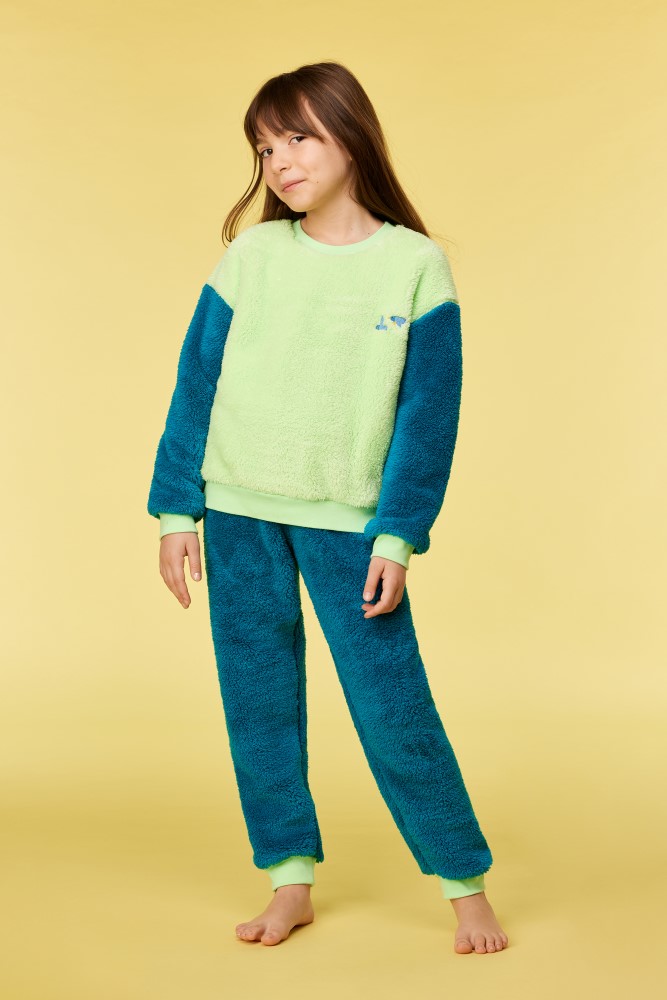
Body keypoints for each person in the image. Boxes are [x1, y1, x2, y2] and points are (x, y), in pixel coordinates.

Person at [147, 60, 509, 955]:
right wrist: (175, 512)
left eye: (298, 137)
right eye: (264, 148)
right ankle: (288, 880)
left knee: (392, 709)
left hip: (351, 526)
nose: (279, 162)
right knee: (258, 707)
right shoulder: (252, 257)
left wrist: (399, 534)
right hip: (237, 515)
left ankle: (463, 886)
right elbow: (196, 383)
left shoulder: (414, 265)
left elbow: (428, 417)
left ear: (351, 134)